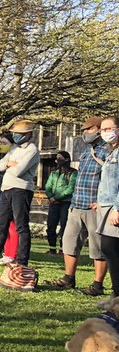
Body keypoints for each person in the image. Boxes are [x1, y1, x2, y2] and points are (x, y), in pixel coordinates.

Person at [50, 118, 110, 291]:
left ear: (98, 129)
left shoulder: (107, 151)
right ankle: (68, 278)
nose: (84, 132)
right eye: (83, 129)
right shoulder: (86, 151)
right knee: (69, 241)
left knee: (97, 246)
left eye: (88, 129)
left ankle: (97, 285)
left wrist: (101, 202)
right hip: (77, 205)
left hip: (94, 206)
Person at [0, 119, 39, 268]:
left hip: (21, 190)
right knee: (0, 226)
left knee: (21, 226)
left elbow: (18, 171)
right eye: (15, 133)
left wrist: (8, 165)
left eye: (19, 134)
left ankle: (22, 261)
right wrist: (9, 163)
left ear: (28, 134)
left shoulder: (32, 150)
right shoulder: (14, 149)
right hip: (7, 189)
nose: (16, 136)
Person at [89, 116, 119, 298]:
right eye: (103, 129)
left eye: (110, 128)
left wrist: (117, 208)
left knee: (110, 248)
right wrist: (99, 202)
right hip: (106, 205)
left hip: (114, 207)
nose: (106, 132)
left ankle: (117, 294)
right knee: (109, 248)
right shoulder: (110, 152)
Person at [44, 151, 76, 255]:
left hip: (65, 203)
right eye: (57, 158)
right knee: (51, 227)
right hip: (54, 204)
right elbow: (48, 186)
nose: (57, 160)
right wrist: (50, 196)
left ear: (66, 159)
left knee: (64, 226)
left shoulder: (73, 173)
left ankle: (63, 249)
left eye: (60, 158)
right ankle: (52, 248)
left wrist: (57, 197)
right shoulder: (54, 173)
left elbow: (70, 188)